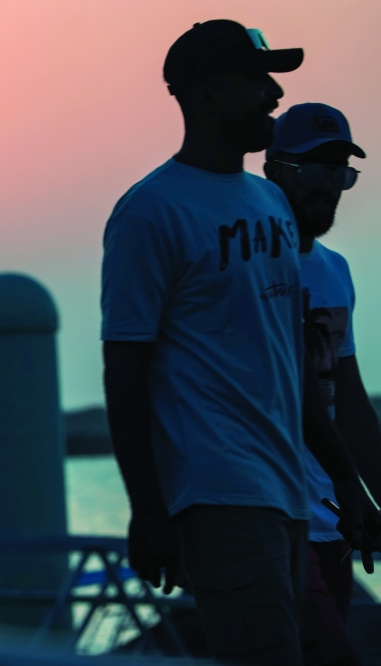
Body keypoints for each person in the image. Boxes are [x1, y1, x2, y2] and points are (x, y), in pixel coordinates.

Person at [101, 21, 370, 664]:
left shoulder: (271, 205)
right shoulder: (151, 212)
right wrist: (148, 511)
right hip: (216, 493)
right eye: (257, 80)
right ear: (208, 93)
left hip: (289, 499)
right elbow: (125, 370)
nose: (275, 93)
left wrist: (347, 484)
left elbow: (293, 365)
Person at [264, 103, 377, 666]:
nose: (329, 186)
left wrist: (370, 497)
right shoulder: (254, 266)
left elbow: (349, 401)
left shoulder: (336, 271)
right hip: (273, 515)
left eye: (340, 172)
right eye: (314, 169)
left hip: (335, 521)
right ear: (274, 169)